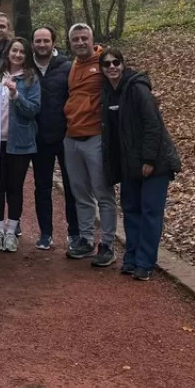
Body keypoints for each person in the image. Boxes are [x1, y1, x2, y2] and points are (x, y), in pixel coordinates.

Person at [102, 47, 182, 280]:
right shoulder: (107, 92)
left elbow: (153, 125)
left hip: (154, 162)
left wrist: (148, 159)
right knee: (131, 210)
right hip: (129, 164)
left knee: (150, 211)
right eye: (106, 64)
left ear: (123, 64)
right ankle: (132, 257)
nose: (112, 67)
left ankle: (145, 262)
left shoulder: (137, 88)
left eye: (116, 62)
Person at [62, 23, 118, 267]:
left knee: (102, 192)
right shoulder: (72, 65)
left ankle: (107, 244)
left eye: (84, 38)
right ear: (71, 42)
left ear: (92, 39)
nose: (80, 42)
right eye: (76, 39)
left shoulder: (104, 62)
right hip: (72, 136)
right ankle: (85, 239)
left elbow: (120, 84)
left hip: (96, 136)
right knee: (79, 193)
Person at [0, 38, 40, 252]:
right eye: (14, 50)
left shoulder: (31, 79)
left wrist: (16, 95)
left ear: (26, 56)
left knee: (14, 188)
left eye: (22, 52)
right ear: (8, 53)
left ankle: (11, 232)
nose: (17, 55)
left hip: (19, 143)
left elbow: (33, 110)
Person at [30, 26, 77, 251]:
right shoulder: (27, 68)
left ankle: (74, 232)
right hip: (39, 138)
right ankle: (45, 233)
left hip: (65, 136)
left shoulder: (67, 67)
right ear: (32, 44)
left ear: (53, 42)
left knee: (72, 186)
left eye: (45, 41)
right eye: (38, 41)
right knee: (42, 187)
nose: (41, 45)